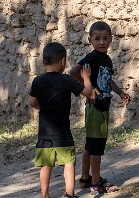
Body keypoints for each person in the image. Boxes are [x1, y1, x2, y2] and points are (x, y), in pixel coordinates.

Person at [69, 21, 131, 194]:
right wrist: (89, 89)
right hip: (95, 107)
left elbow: (107, 80)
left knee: (91, 145)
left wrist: (119, 92)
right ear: (90, 40)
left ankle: (84, 178)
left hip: (103, 106)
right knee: (96, 147)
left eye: (105, 38)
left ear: (111, 39)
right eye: (97, 39)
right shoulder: (92, 58)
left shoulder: (107, 60)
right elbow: (74, 72)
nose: (101, 42)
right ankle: (96, 182)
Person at [29, 42, 93, 198]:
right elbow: (87, 92)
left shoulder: (37, 81)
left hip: (44, 132)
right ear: (63, 62)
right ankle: (69, 193)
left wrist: (43, 108)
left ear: (44, 62)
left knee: (46, 165)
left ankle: (44, 195)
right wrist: (86, 78)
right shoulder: (66, 80)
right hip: (62, 132)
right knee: (68, 162)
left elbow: (32, 102)